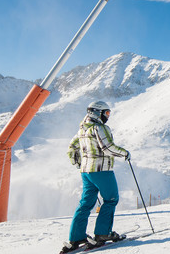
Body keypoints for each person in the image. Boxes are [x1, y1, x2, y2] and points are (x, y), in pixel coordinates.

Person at [61, 100, 131, 253]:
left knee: (86, 203)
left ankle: (76, 237)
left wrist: (78, 162)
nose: (107, 116)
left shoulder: (82, 129)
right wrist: (125, 153)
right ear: (97, 113)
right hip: (101, 170)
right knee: (111, 199)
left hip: (86, 172)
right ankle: (102, 234)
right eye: (106, 113)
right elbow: (108, 148)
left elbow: (72, 148)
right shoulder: (99, 128)